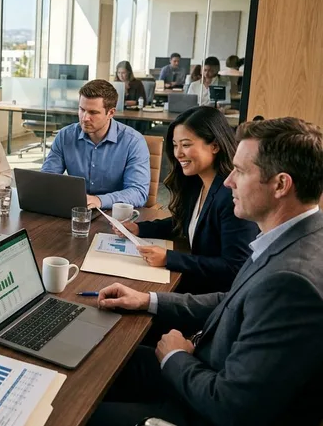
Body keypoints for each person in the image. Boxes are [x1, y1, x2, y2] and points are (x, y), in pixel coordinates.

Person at [88, 117, 323, 426]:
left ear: (280, 184)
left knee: (74, 414)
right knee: (97, 361)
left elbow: (231, 407)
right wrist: (148, 300)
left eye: (240, 171)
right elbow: (230, 301)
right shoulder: (290, 238)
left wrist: (176, 358)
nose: (228, 181)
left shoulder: (292, 283)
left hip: (201, 405)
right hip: (201, 367)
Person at [116, 106, 258, 294]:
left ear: (214, 146)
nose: (178, 153)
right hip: (197, 283)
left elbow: (235, 267)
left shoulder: (231, 196)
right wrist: (140, 228)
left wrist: (169, 258)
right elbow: (188, 221)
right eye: (175, 145)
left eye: (186, 144)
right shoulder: (197, 183)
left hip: (214, 297)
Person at [41, 79, 150, 209]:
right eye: (82, 109)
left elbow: (138, 193)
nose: (85, 118)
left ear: (110, 113)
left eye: (93, 112)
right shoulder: (65, 136)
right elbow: (47, 179)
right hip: (77, 211)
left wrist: (99, 200)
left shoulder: (133, 142)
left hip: (115, 215)